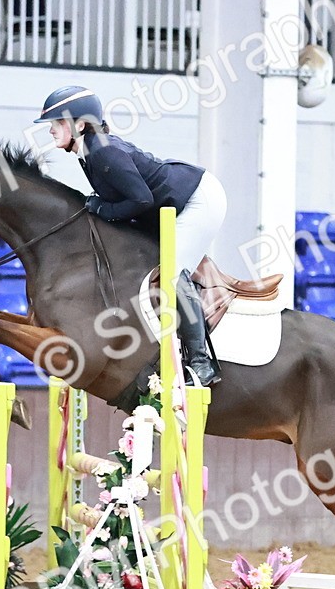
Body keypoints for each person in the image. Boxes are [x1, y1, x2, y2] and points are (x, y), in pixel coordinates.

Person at [34, 85, 226, 386]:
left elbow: (141, 200)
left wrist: (100, 207)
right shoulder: (89, 151)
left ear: (80, 124)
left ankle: (202, 364)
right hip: (172, 203)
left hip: (198, 200)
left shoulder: (103, 151)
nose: (51, 131)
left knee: (172, 273)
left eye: (57, 123)